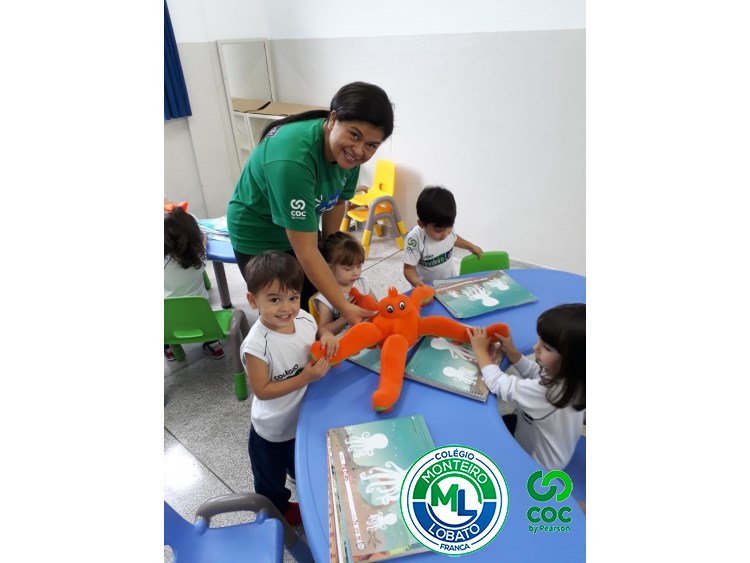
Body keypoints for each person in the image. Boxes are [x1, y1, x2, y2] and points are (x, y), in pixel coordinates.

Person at [227, 81, 394, 328]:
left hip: (300, 228)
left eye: (371, 145)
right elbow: (305, 250)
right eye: (354, 135)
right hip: (258, 234)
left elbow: (337, 200)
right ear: (333, 119)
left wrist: (330, 252)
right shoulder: (293, 161)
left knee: (313, 304)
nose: (359, 151)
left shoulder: (349, 156)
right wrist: (343, 306)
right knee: (286, 314)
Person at [241, 251, 338, 526]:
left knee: (301, 463)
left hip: (302, 418)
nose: (286, 308)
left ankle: (300, 483)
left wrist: (327, 334)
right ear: (253, 300)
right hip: (271, 430)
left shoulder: (305, 319)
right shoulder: (257, 346)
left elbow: (317, 334)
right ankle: (277, 512)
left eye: (293, 298)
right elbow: (262, 390)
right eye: (274, 300)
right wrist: (304, 378)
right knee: (270, 481)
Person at [467, 303, 585, 470]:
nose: (536, 348)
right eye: (539, 340)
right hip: (553, 449)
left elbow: (498, 383)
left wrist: (480, 351)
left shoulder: (548, 393)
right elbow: (537, 373)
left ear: (571, 360)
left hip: (536, 464)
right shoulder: (575, 378)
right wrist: (514, 353)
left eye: (546, 347)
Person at [164, 205, 224, 360]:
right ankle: (214, 345)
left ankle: (168, 348)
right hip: (201, 317)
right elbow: (204, 239)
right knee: (203, 314)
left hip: (167, 320)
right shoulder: (200, 256)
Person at [402, 186, 483, 287]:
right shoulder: (415, 239)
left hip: (450, 281)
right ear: (422, 224)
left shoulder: (447, 231)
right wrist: (415, 282)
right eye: (438, 230)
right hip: (427, 287)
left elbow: (454, 239)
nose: (446, 234)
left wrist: (471, 246)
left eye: (450, 228)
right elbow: (409, 269)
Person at [313, 231, 378, 335]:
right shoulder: (326, 296)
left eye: (359, 266)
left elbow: (376, 307)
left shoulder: (361, 282)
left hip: (368, 333)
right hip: (344, 340)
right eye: (348, 269)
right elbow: (322, 332)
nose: (356, 272)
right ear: (329, 268)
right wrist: (345, 316)